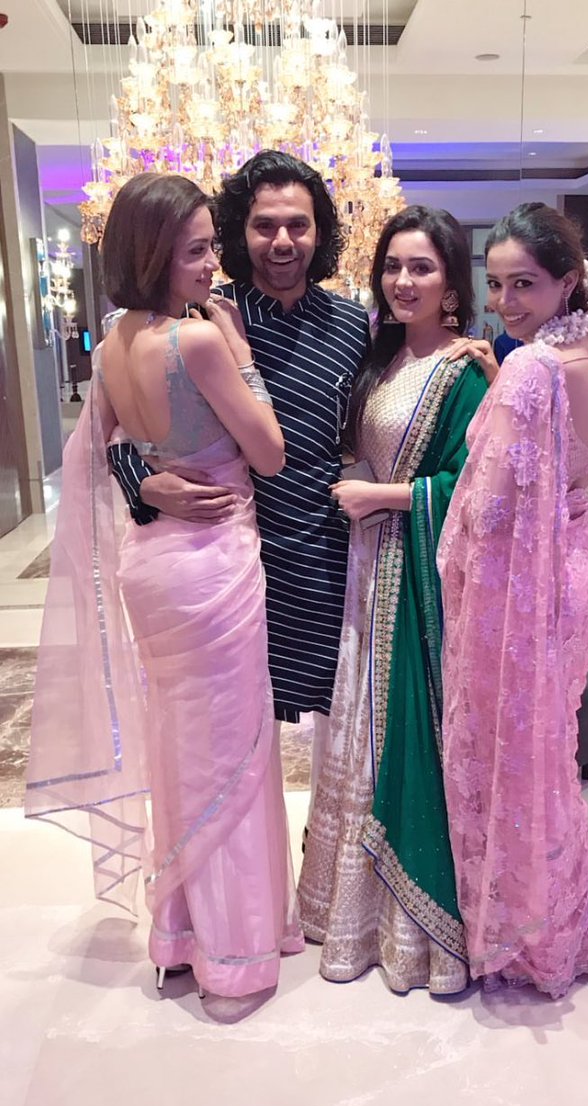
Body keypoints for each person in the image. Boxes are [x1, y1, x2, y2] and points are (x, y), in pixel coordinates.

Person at [25, 174, 304, 1000]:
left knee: (180, 746)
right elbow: (270, 453)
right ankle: (233, 948)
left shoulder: (113, 340)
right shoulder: (198, 341)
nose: (213, 265)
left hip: (150, 568)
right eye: (194, 251)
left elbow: (102, 447)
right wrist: (242, 353)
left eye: (211, 246)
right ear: (151, 255)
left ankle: (179, 932)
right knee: (233, 753)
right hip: (210, 563)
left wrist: (146, 480)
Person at [107, 153, 371, 804]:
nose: (282, 241)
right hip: (226, 549)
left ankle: (326, 863)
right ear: (236, 231)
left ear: (320, 230)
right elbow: (111, 426)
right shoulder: (201, 313)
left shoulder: (352, 325)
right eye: (264, 225)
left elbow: (388, 415)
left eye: (298, 225)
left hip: (324, 550)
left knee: (343, 727)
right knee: (231, 742)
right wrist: (141, 481)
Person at [298, 206, 488, 994]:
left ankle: (413, 932)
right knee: (353, 733)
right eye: (392, 267)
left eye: (421, 268)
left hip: (414, 578)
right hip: (364, 571)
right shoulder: (381, 357)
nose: (402, 281)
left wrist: (381, 497)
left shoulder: (463, 372)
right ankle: (341, 910)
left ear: (451, 284)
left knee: (399, 733)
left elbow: (472, 489)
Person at [437, 202, 588, 999]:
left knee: (512, 764)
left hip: (531, 585)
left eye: (524, 284)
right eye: (496, 283)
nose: (504, 302)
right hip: (580, 565)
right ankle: (563, 928)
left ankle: (518, 941)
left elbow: (488, 507)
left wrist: (447, 558)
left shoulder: (531, 369)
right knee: (550, 764)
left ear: (565, 283)